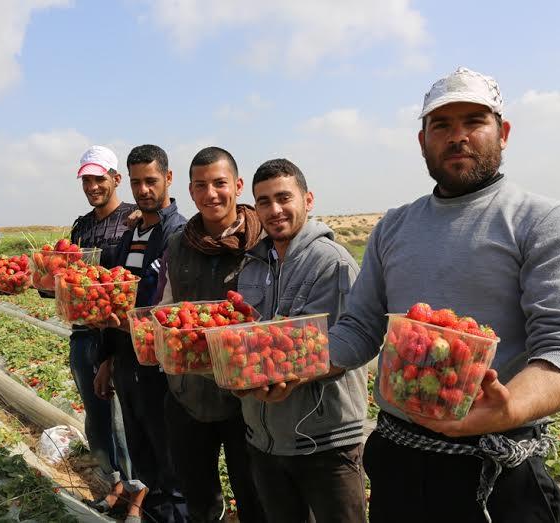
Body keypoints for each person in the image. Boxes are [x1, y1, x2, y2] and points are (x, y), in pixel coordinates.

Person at [326, 67, 560, 522]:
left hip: (498, 463)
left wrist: (508, 406)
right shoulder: (393, 226)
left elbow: (559, 345)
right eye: (442, 125)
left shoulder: (542, 221)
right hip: (401, 458)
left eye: (474, 121)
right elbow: (359, 328)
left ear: (503, 132)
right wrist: (297, 363)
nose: (458, 136)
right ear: (422, 141)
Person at [234, 158, 367, 522]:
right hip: (265, 439)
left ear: (307, 200)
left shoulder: (332, 262)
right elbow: (244, 340)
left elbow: (342, 345)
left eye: (283, 197)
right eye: (263, 201)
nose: (274, 210)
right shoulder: (253, 264)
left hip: (325, 442)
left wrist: (279, 371)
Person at [157, 146, 266, 523]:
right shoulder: (178, 245)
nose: (211, 194)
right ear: (190, 191)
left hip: (246, 400)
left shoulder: (264, 243)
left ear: (237, 186)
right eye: (201, 185)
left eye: (220, 183)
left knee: (254, 495)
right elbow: (166, 307)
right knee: (199, 498)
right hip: (187, 394)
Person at [94, 144, 188, 522]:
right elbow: (116, 297)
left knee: (170, 460)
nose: (144, 190)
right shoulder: (129, 234)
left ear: (168, 178)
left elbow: (165, 302)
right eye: (136, 182)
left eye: (151, 181)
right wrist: (108, 359)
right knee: (143, 453)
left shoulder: (178, 233)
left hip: (160, 365)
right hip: (127, 361)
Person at [63, 145, 136, 510]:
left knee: (124, 420)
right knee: (97, 418)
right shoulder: (80, 227)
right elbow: (68, 283)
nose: (92, 186)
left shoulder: (132, 220)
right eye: (86, 179)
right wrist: (49, 283)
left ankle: (137, 492)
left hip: (118, 334)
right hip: (82, 335)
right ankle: (112, 485)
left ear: (115, 179)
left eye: (99, 178)